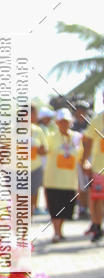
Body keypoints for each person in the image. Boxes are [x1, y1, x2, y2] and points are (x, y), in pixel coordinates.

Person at [44, 108, 82, 243]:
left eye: (66, 122)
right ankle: (56, 232)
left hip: (69, 180)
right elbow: (44, 151)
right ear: (57, 122)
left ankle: (60, 230)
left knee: (66, 208)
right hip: (53, 179)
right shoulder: (50, 137)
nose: (64, 124)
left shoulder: (77, 138)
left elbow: (81, 156)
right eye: (61, 122)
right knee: (54, 208)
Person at [81, 96, 104, 243]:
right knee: (97, 199)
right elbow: (87, 142)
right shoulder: (97, 120)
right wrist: (84, 161)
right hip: (99, 168)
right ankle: (97, 227)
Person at [30, 104, 48, 216]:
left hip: (35, 169)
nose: (37, 116)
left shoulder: (38, 130)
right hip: (16, 170)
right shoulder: (12, 129)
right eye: (35, 114)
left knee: (32, 197)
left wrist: (39, 149)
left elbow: (45, 150)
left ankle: (25, 230)